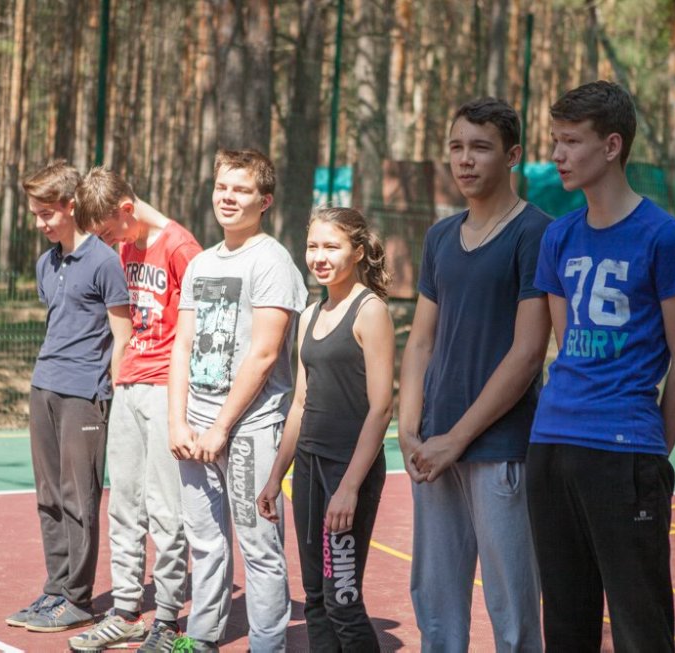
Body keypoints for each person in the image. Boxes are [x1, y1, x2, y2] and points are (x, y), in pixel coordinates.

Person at [527, 80, 675, 652]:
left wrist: (653, 447)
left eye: (571, 141)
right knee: (567, 624)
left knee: (640, 627)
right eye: (555, 140)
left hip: (624, 450)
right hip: (551, 445)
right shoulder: (559, 235)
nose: (557, 154)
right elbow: (565, 342)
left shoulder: (663, 236)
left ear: (611, 146)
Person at [398, 98, 550, 652]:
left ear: (512, 156)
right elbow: (420, 340)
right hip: (432, 445)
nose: (465, 160)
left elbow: (529, 351)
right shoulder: (441, 236)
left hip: (500, 447)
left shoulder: (537, 233)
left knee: (512, 613)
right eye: (457, 147)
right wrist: (409, 426)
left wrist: (457, 439)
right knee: (435, 608)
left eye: (480, 148)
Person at [168, 149, 307, 652]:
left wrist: (221, 427)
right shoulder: (203, 262)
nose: (228, 197)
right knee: (204, 542)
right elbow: (181, 344)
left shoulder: (272, 261)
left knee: (260, 546)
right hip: (196, 427)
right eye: (223, 187)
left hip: (249, 428)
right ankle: (202, 637)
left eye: (242, 190)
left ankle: (267, 646)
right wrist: (177, 422)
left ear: (264, 200)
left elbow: (265, 353)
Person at [67, 168, 202, 652]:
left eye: (107, 231)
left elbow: (201, 333)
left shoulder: (182, 249)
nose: (106, 242)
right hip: (128, 386)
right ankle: (126, 612)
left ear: (126, 210)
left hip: (167, 388)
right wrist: (117, 373)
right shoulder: (124, 246)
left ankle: (167, 618)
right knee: (124, 505)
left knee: (166, 510)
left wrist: (184, 405)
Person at [258, 208, 395, 651]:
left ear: (356, 251)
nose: (319, 256)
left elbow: (381, 409)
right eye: (313, 246)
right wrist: (277, 474)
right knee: (315, 598)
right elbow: (299, 403)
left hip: (346, 472)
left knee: (342, 600)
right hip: (310, 470)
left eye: (331, 246)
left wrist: (350, 487)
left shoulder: (370, 311)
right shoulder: (309, 314)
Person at [6, 160, 132, 633]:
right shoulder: (47, 262)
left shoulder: (104, 261)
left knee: (80, 499)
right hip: (45, 388)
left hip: (86, 394)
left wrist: (113, 397)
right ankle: (55, 589)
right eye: (35, 214)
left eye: (47, 213)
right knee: (49, 496)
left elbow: (123, 336)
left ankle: (78, 599)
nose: (40, 223)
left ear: (70, 205)